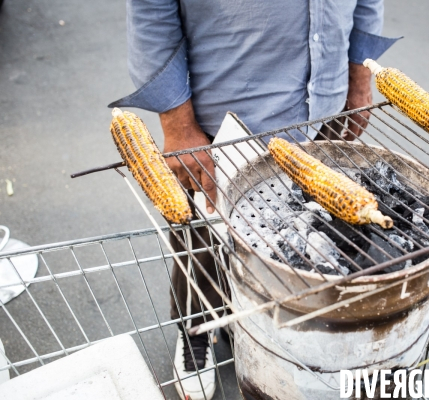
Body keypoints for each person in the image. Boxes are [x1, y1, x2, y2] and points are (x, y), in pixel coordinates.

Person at [110, 1, 398, 399]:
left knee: (305, 232)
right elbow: (152, 8)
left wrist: (359, 75)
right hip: (226, 117)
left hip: (324, 106)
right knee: (204, 243)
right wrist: (178, 125)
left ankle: (264, 323)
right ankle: (197, 328)